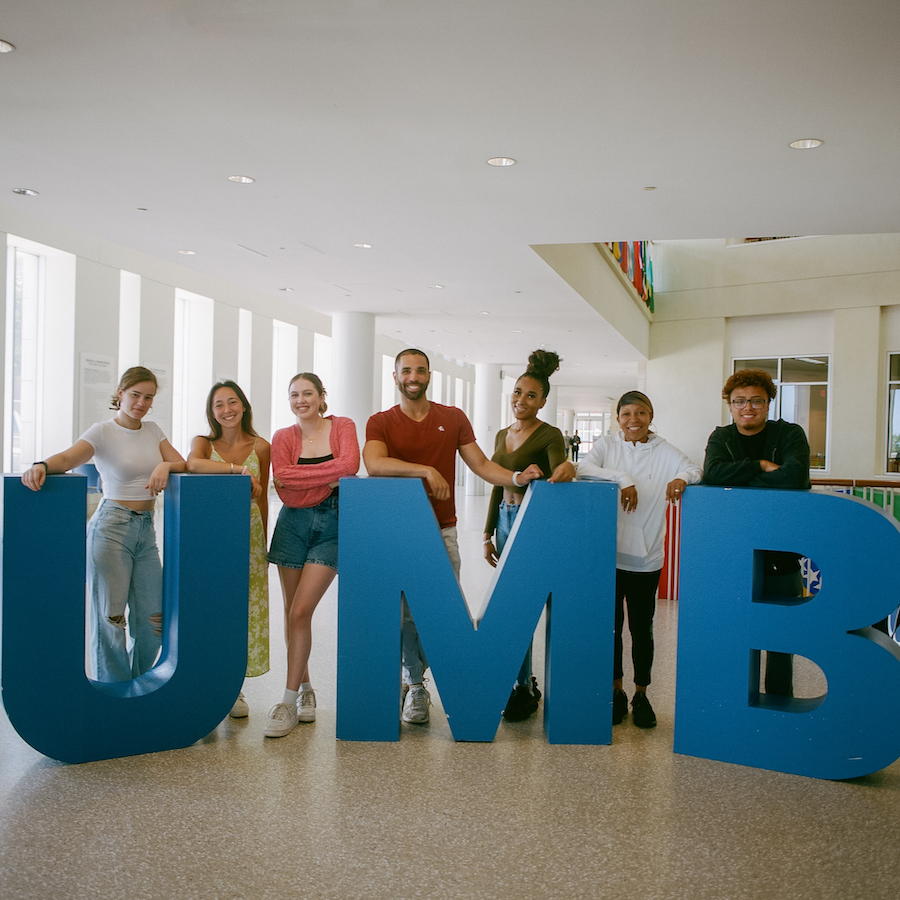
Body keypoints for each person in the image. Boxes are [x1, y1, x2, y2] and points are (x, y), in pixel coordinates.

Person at [364, 349, 547, 725]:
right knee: (399, 617)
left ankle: (418, 680)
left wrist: (515, 479)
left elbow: (480, 465)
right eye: (406, 371)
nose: (413, 376)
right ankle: (415, 685)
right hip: (395, 533)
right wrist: (427, 471)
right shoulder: (380, 422)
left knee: (434, 615)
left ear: (429, 375)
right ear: (395, 377)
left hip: (441, 531)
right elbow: (374, 463)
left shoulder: (453, 418)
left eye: (420, 370)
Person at [21, 366, 185, 682]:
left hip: (145, 530)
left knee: (154, 619)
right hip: (111, 529)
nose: (141, 402)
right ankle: (115, 693)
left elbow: (183, 463)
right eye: (135, 394)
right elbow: (69, 459)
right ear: (120, 394)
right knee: (111, 620)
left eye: (148, 397)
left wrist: (165, 464)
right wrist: (41, 465)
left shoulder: (153, 431)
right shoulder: (103, 431)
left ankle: (141, 686)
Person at [577, 390, 701, 728]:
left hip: (647, 559)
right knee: (611, 629)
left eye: (641, 413)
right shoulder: (608, 446)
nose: (634, 420)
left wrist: (681, 478)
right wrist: (622, 477)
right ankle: (615, 690)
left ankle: (641, 694)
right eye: (627, 414)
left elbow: (694, 468)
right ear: (618, 418)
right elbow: (582, 466)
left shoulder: (664, 451)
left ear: (650, 416)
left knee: (642, 630)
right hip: (609, 557)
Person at [702, 368, 811, 698]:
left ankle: (779, 703)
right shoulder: (721, 437)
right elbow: (712, 474)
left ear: (768, 403)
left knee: (781, 636)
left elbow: (795, 478)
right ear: (729, 404)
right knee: (735, 630)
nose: (748, 407)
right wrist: (761, 466)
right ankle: (737, 706)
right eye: (739, 401)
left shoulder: (790, 434)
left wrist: (739, 478)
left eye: (756, 401)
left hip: (783, 552)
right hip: (735, 552)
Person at [263, 373, 359, 738]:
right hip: (292, 526)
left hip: (333, 526)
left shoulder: (343, 426)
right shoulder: (283, 437)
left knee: (301, 610)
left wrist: (304, 477)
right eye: (294, 395)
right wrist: (327, 478)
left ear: (321, 397)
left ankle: (286, 702)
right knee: (291, 615)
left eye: (308, 393)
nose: (301, 400)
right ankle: (305, 691)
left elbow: (349, 465)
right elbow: (283, 484)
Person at [483, 350, 573, 720]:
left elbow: (558, 470)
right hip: (504, 518)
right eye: (518, 392)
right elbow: (494, 480)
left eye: (531, 396)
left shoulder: (549, 434)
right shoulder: (504, 434)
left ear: (543, 401)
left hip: (529, 519)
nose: (522, 400)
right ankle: (520, 680)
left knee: (520, 603)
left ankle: (524, 685)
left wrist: (567, 464)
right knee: (508, 602)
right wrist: (487, 530)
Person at [187, 381, 271, 718]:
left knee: (243, 612)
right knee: (213, 607)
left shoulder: (261, 447)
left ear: (244, 406)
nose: (227, 410)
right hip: (212, 538)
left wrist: (262, 545)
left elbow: (262, 497)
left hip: (249, 537)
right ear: (212, 411)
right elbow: (193, 465)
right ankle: (208, 680)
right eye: (219, 404)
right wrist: (238, 471)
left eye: (232, 402)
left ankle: (234, 688)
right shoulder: (203, 444)